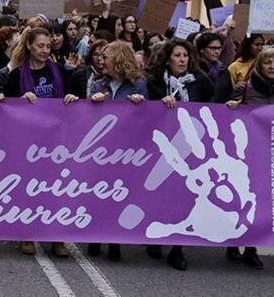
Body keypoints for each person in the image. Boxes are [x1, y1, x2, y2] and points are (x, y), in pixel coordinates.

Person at [4, 27, 76, 258]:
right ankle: (28, 233)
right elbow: (5, 107)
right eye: (40, 46)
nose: (45, 50)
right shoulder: (16, 76)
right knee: (30, 188)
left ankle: (57, 236)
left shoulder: (61, 72)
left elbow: (75, 99)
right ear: (29, 46)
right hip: (28, 141)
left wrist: (72, 98)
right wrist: (20, 101)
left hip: (57, 141)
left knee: (57, 189)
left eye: (48, 46)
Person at [143, 38, 214, 271]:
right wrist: (158, 104)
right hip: (161, 145)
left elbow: (213, 108)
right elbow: (145, 110)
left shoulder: (201, 82)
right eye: (177, 55)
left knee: (184, 195)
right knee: (159, 191)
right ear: (167, 58)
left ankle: (177, 247)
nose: (182, 60)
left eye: (185, 55)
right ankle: (153, 239)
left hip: (191, 148)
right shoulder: (154, 82)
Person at [83, 42, 148, 261]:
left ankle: (114, 238)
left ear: (119, 60)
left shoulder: (138, 85)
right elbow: (87, 119)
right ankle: (94, 235)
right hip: (101, 151)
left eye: (107, 57)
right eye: (101, 57)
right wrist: (92, 104)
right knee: (98, 193)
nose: (102, 61)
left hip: (126, 151)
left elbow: (147, 120)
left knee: (119, 194)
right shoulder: (99, 84)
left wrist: (140, 105)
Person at [224, 46, 274, 270]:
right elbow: (227, 117)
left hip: (270, 153)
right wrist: (233, 107)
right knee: (244, 198)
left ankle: (252, 248)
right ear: (259, 65)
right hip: (248, 153)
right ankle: (234, 243)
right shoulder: (245, 87)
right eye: (267, 62)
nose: (272, 66)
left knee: (264, 201)